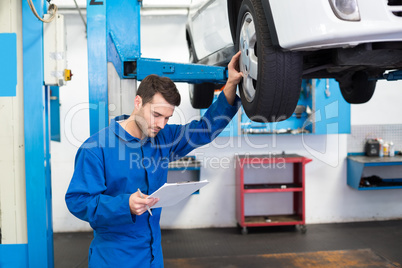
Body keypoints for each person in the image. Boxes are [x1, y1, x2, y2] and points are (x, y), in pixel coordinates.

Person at [65, 51, 243, 267]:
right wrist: (125, 204)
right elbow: (78, 201)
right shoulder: (97, 148)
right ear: (138, 102)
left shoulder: (163, 138)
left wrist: (232, 83)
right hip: (115, 258)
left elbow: (205, 130)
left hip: (152, 256)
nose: (161, 124)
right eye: (156, 115)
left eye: (167, 118)